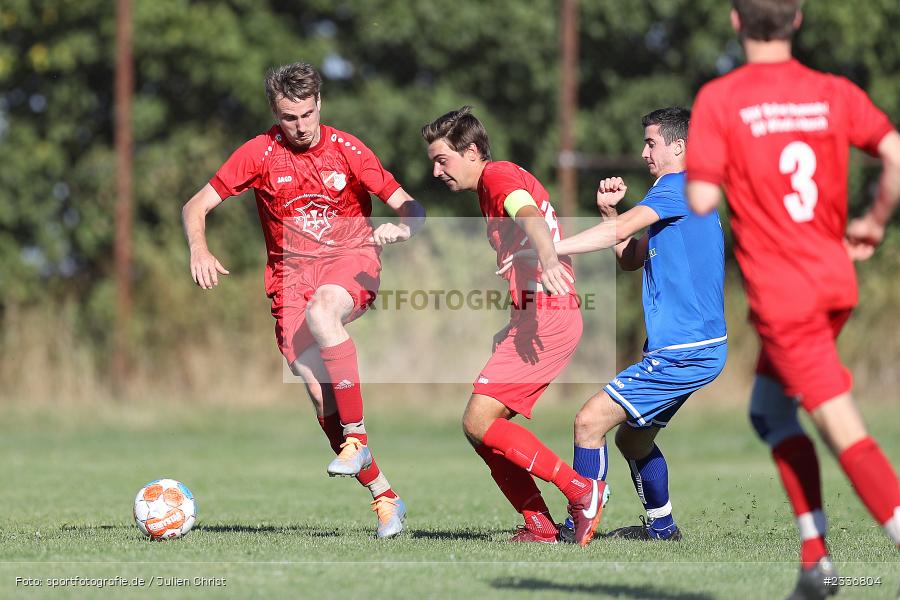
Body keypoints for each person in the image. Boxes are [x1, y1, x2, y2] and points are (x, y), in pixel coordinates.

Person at [685, 1, 900, 597]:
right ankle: (816, 563)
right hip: (835, 283)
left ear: (735, 21)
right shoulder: (832, 90)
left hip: (787, 298)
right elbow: (895, 152)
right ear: (797, 20)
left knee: (842, 427)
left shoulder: (722, 99)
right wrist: (876, 220)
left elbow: (700, 198)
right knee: (771, 412)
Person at [182, 61, 425, 538]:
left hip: (350, 261)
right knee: (318, 389)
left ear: (320, 105)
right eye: (289, 117)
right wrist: (199, 248)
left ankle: (357, 440)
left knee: (323, 313)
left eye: (307, 114)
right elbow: (195, 205)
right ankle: (385, 496)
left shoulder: (348, 149)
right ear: (276, 112)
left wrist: (405, 226)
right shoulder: (259, 152)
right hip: (289, 279)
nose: (299, 126)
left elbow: (410, 204)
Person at [502, 107, 727, 543]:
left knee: (588, 422)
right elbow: (628, 257)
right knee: (633, 441)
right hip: (691, 348)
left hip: (686, 349)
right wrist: (609, 212)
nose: (644, 151)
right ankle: (662, 529)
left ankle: (576, 526)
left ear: (678, 147)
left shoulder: (677, 187)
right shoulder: (682, 195)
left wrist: (548, 250)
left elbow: (620, 232)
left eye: (651, 143)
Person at [422, 106, 605, 546]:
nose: (435, 171)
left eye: (442, 160)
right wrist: (513, 323)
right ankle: (540, 525)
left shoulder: (495, 177)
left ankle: (582, 491)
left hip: (550, 317)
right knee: (481, 431)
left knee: (478, 420)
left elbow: (529, 216)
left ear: (471, 152)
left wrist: (546, 254)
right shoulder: (490, 185)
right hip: (535, 318)